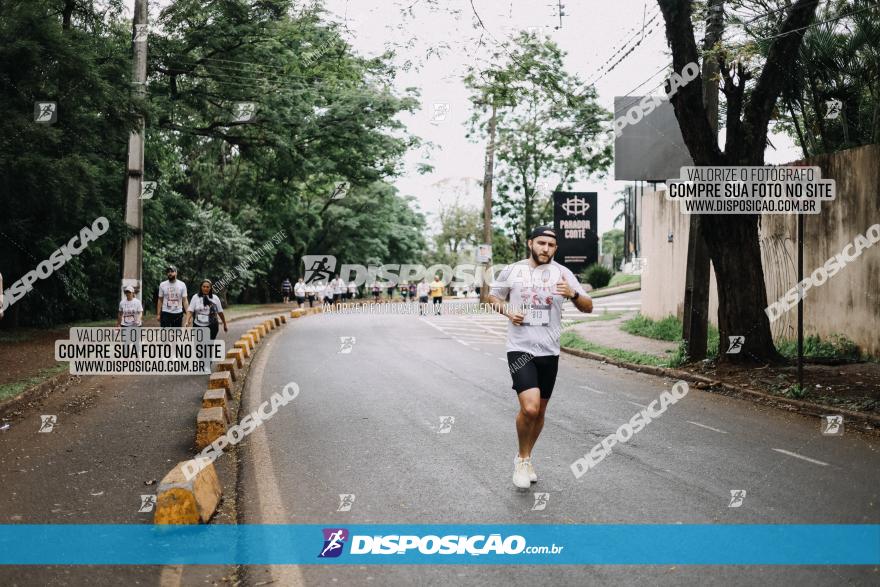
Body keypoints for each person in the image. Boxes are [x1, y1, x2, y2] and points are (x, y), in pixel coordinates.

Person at [487, 226, 593, 489]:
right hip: (520, 348)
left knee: (541, 410)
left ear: (556, 249)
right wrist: (509, 312)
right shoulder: (512, 270)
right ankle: (522, 460)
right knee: (530, 407)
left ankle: (526, 456)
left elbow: (588, 306)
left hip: (550, 350)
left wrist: (574, 294)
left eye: (551, 245)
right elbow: (492, 297)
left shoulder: (563, 274)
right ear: (530, 243)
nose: (546, 248)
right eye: (541, 243)